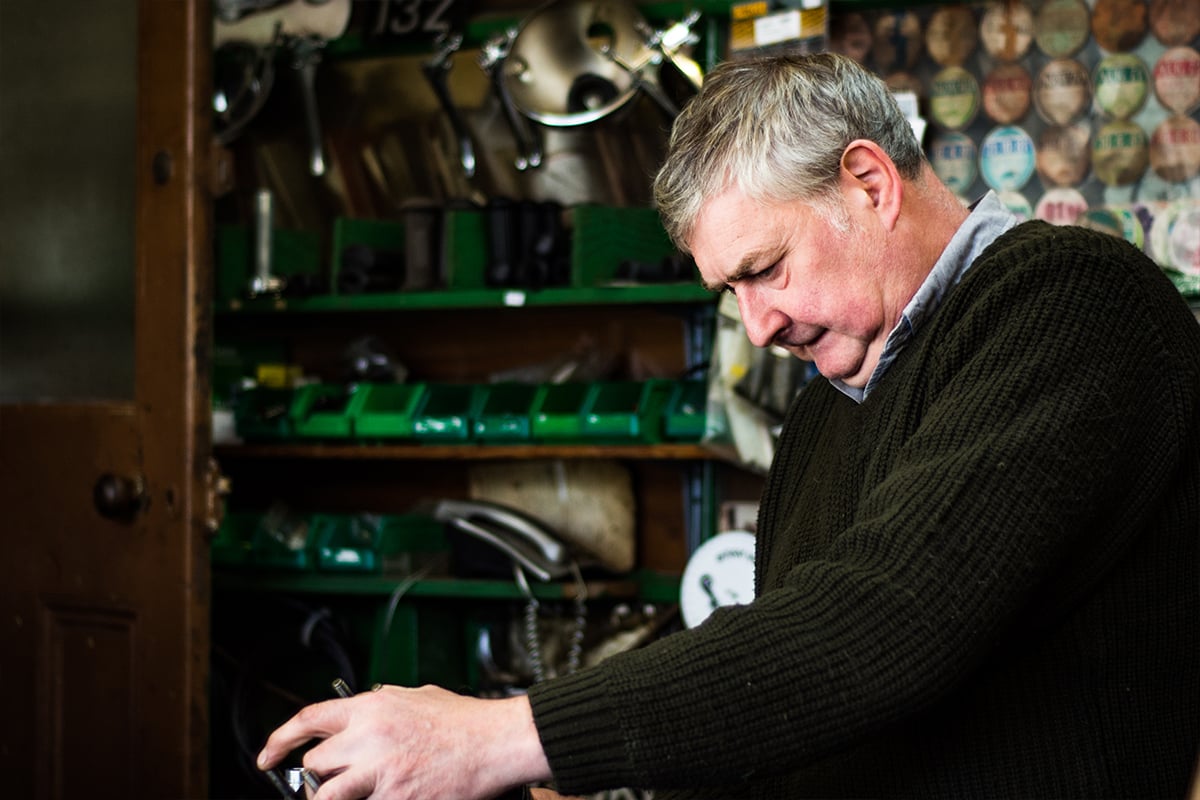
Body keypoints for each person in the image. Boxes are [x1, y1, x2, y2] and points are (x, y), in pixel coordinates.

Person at [257, 52, 1200, 799]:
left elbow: (886, 619)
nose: (758, 325)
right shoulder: (843, 385)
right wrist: (611, 771)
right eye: (732, 292)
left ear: (869, 183)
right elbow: (796, 665)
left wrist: (503, 737)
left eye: (767, 268)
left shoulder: (1074, 303)